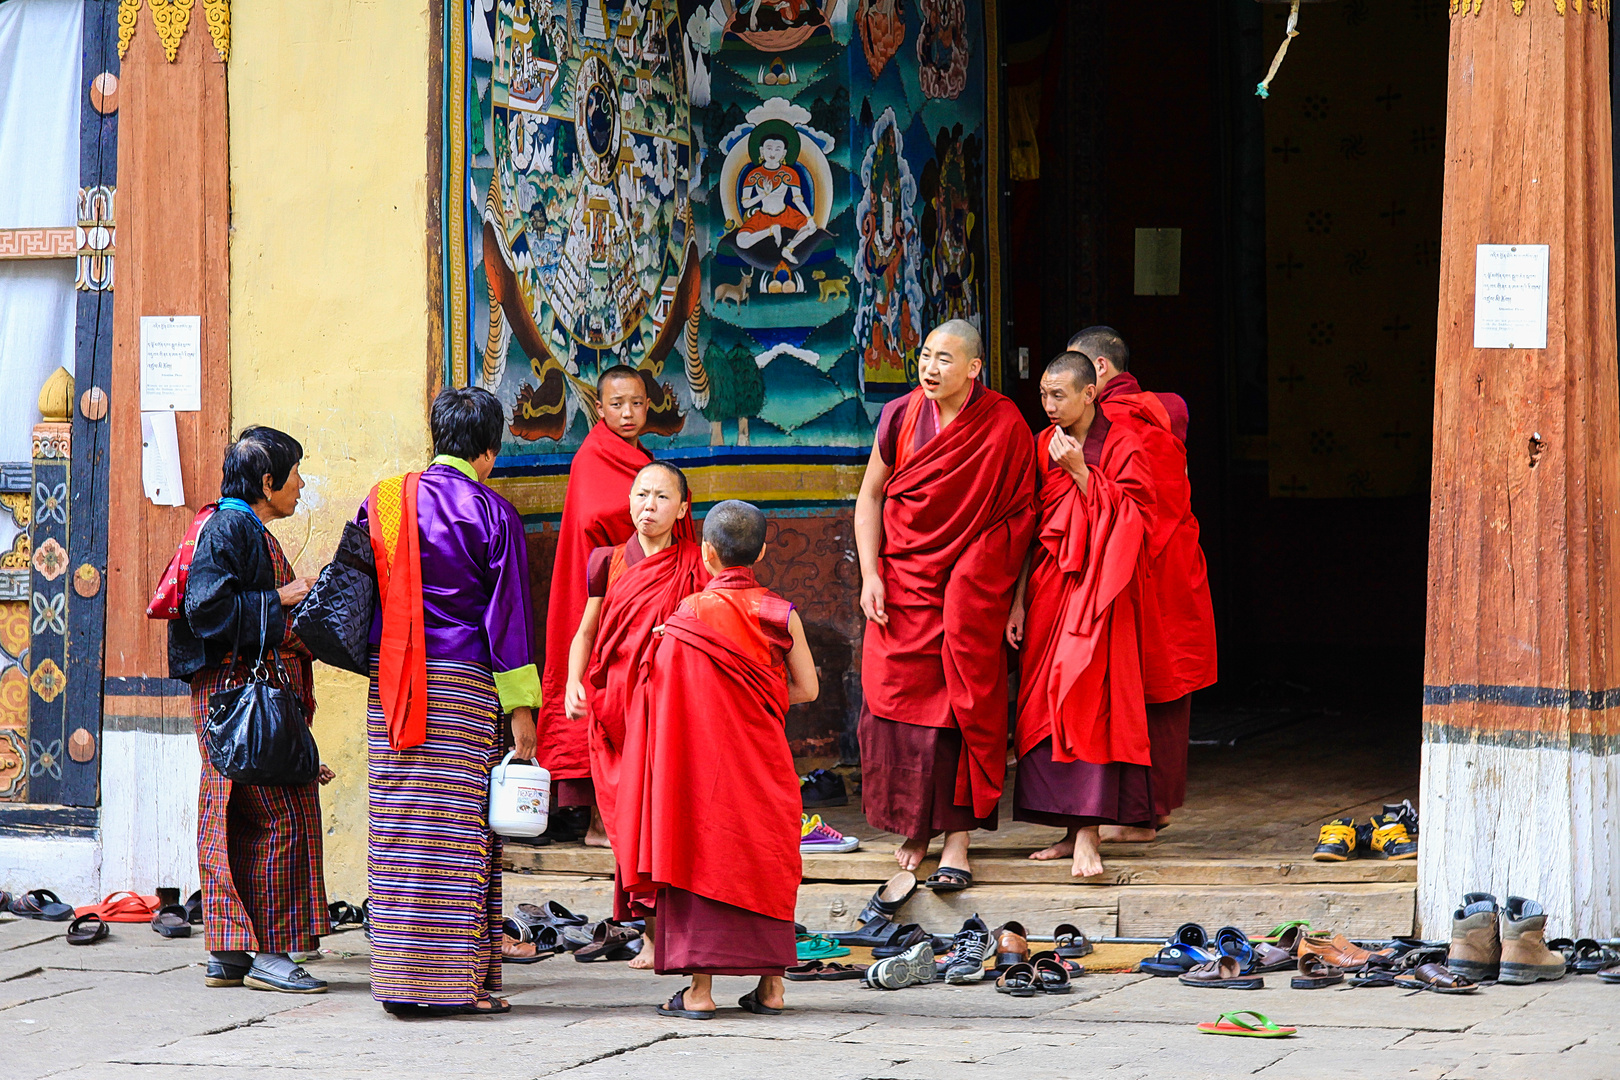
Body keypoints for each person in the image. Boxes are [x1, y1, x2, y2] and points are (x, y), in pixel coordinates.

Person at [357, 387, 540, 1017]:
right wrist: (523, 710)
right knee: (459, 840)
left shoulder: (381, 503)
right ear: (489, 452)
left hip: (394, 686)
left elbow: (359, 592)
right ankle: (457, 986)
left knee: (400, 835)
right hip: (464, 688)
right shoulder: (494, 514)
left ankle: (404, 983)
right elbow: (507, 619)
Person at [615, 500, 818, 1018]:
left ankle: (700, 994)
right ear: (763, 552)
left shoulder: (687, 617)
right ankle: (771, 988)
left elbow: (662, 690)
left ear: (706, 554)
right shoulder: (780, 610)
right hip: (763, 761)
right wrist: (758, 695)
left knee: (702, 852)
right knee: (765, 859)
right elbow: (808, 688)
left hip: (703, 767)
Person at [854, 319, 1038, 888]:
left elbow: (1020, 517)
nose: (930, 370)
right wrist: (869, 575)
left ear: (974, 368)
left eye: (944, 360)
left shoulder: (1003, 423)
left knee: (959, 712)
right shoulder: (901, 417)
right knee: (893, 709)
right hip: (903, 583)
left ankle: (956, 840)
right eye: (925, 357)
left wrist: (1014, 599)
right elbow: (870, 496)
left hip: (970, 595)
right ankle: (916, 828)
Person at [171, 426, 331, 994]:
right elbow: (207, 611)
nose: (300, 485)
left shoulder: (234, 524)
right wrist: (280, 599)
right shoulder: (232, 526)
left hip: (232, 696)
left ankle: (230, 952)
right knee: (281, 816)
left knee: (235, 815)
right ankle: (272, 953)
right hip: (241, 696)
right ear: (269, 482)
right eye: (294, 476)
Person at [1005, 353, 1157, 878]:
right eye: (1044, 395)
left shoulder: (1123, 443)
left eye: (1059, 395)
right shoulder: (1038, 445)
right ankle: (1069, 831)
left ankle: (1090, 833)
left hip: (1100, 592)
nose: (1048, 406)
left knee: (1087, 700)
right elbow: (1028, 527)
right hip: (1050, 587)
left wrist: (1081, 472)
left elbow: (1136, 519)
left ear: (1089, 393)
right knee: (1044, 704)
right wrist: (1019, 599)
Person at [1069, 326, 1217, 839]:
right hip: (1178, 561)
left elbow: (1117, 502)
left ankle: (1140, 816)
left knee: (1137, 686)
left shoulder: (1114, 422)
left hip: (1137, 562)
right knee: (1165, 687)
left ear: (1100, 372)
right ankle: (1155, 809)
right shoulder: (1164, 411)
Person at [564, 461, 708, 969]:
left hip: (674, 709)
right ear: (628, 502)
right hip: (619, 712)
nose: (649, 506)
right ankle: (648, 935)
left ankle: (676, 933)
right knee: (630, 822)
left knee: (669, 818)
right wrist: (572, 682)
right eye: (642, 495)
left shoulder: (697, 563)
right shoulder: (608, 561)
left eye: (662, 497)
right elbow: (587, 631)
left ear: (683, 509)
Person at [539, 365, 682, 847]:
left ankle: (637, 818)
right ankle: (602, 822)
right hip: (600, 593)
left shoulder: (642, 458)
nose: (628, 413)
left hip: (643, 588)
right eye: (617, 404)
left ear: (649, 406)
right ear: (598, 409)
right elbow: (597, 517)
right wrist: (651, 507)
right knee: (609, 697)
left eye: (637, 403)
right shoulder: (594, 457)